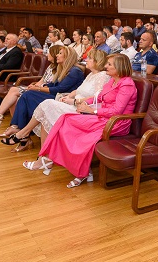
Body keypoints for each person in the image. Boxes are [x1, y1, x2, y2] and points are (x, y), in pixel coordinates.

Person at [24, 54, 138, 188]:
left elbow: (117, 111)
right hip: (102, 117)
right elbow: (98, 98)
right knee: (65, 120)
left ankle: (81, 172)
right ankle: (54, 161)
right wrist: (83, 103)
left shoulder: (127, 85)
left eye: (109, 64)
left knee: (78, 133)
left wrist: (92, 111)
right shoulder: (112, 81)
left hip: (116, 122)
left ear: (119, 67)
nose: (105, 66)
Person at [1, 51, 111, 143]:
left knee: (45, 104)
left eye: (89, 58)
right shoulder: (91, 74)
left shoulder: (102, 76)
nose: (86, 60)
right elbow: (77, 90)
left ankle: (22, 133)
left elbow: (97, 98)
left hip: (82, 108)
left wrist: (74, 100)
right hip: (72, 102)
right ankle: (23, 134)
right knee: (41, 104)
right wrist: (68, 96)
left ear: (97, 61)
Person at [0, 47, 86, 151]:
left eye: (60, 53)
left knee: (28, 95)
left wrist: (38, 88)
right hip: (58, 95)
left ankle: (19, 129)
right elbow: (54, 84)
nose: (57, 55)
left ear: (67, 56)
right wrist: (40, 86)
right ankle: (19, 129)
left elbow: (60, 89)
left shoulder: (75, 71)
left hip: (63, 98)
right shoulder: (65, 68)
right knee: (27, 95)